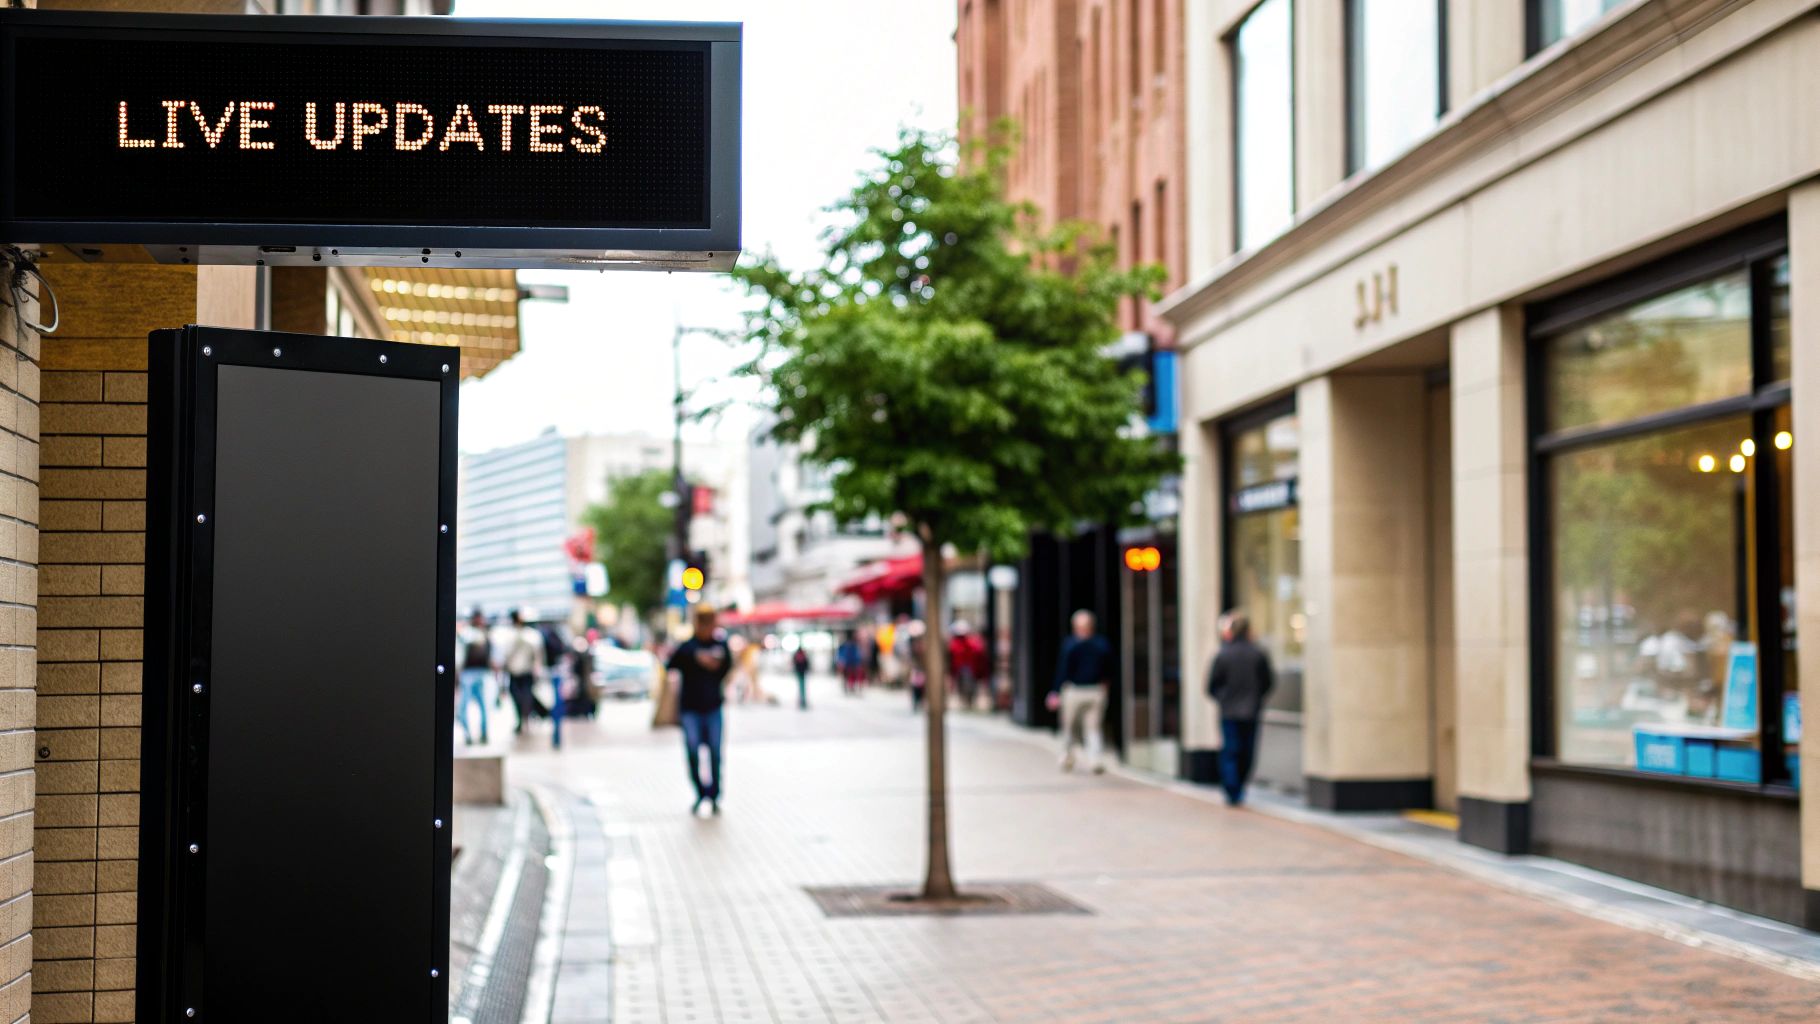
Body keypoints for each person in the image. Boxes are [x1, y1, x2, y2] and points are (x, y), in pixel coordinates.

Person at [667, 607, 733, 815]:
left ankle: (714, 795)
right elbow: (671, 664)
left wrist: (714, 664)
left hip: (713, 706)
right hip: (690, 709)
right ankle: (700, 792)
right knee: (693, 751)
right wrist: (696, 657)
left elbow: (728, 667)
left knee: (715, 753)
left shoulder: (720, 645)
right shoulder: (687, 647)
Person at [1206, 609, 1274, 806]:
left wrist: (1223, 699)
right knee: (1247, 751)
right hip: (1251, 711)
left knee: (1230, 750)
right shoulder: (1258, 653)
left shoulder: (1223, 654)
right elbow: (1267, 682)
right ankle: (1238, 787)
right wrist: (1256, 699)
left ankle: (1232, 789)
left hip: (1230, 712)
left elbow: (1212, 686)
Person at [1046, 610, 1113, 773]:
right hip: (1073, 690)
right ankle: (1067, 756)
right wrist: (1055, 691)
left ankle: (1095, 760)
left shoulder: (1100, 645)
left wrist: (1105, 685)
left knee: (1093, 727)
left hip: (1094, 691)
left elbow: (1109, 668)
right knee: (1068, 726)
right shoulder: (1071, 645)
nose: (1082, 630)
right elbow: (1062, 670)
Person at [503, 609, 547, 736]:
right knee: (519, 697)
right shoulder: (516, 635)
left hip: (525, 671)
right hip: (516, 672)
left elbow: (538, 655)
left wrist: (537, 668)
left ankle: (525, 721)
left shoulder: (529, 635)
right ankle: (523, 721)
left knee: (524, 697)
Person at [456, 609, 491, 745]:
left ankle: (475, 734)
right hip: (474, 673)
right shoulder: (480, 633)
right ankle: (475, 734)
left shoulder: (469, 633)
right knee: (477, 705)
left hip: (473, 673)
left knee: (477, 706)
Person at [791, 643, 811, 710]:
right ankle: (803, 700)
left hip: (798, 673)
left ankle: (801, 700)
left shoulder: (796, 655)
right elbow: (807, 664)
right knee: (803, 687)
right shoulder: (804, 655)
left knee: (800, 686)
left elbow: (794, 663)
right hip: (803, 673)